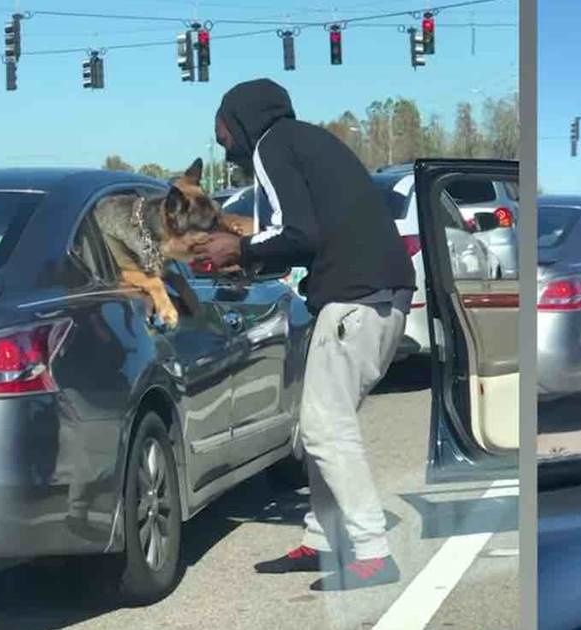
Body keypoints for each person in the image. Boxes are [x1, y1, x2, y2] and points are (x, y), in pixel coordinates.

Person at [193, 78, 415, 592]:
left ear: (242, 119)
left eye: (222, 130)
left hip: (356, 301)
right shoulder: (307, 142)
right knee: (320, 423)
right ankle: (321, 541)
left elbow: (298, 231)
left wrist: (238, 250)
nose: (223, 143)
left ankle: (373, 552)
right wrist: (251, 260)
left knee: (323, 428)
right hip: (378, 296)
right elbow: (310, 236)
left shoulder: (273, 145)